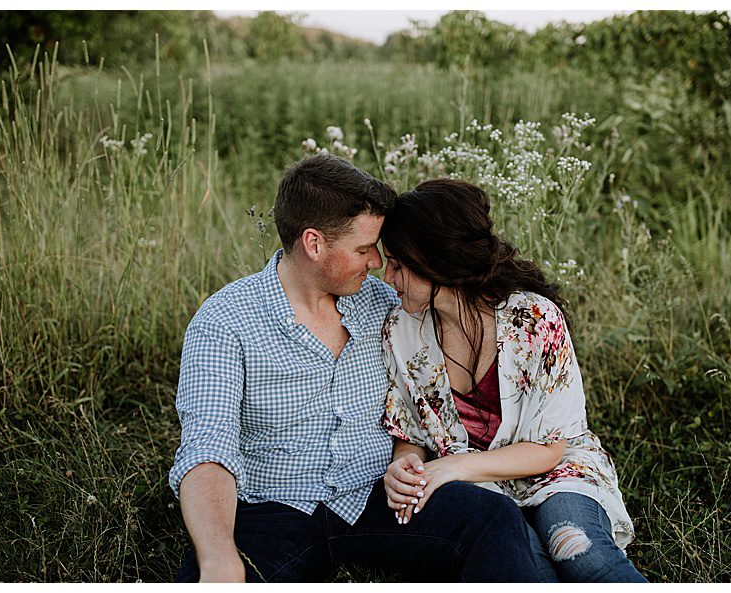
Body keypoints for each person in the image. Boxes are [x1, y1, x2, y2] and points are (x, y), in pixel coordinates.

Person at [168, 154, 547, 582]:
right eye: (364, 249)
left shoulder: (387, 306)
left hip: (377, 497)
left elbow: (422, 400)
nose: (377, 265)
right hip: (274, 509)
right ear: (314, 244)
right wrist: (219, 555)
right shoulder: (225, 320)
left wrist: (409, 462)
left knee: (488, 518)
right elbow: (206, 449)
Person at [376, 178, 645, 583]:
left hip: (557, 471)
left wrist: (452, 468)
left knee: (577, 550)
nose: (387, 277)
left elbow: (548, 450)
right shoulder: (401, 329)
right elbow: (409, 430)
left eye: (397, 264)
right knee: (527, 573)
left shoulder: (533, 319)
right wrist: (404, 466)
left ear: (435, 262)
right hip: (481, 493)